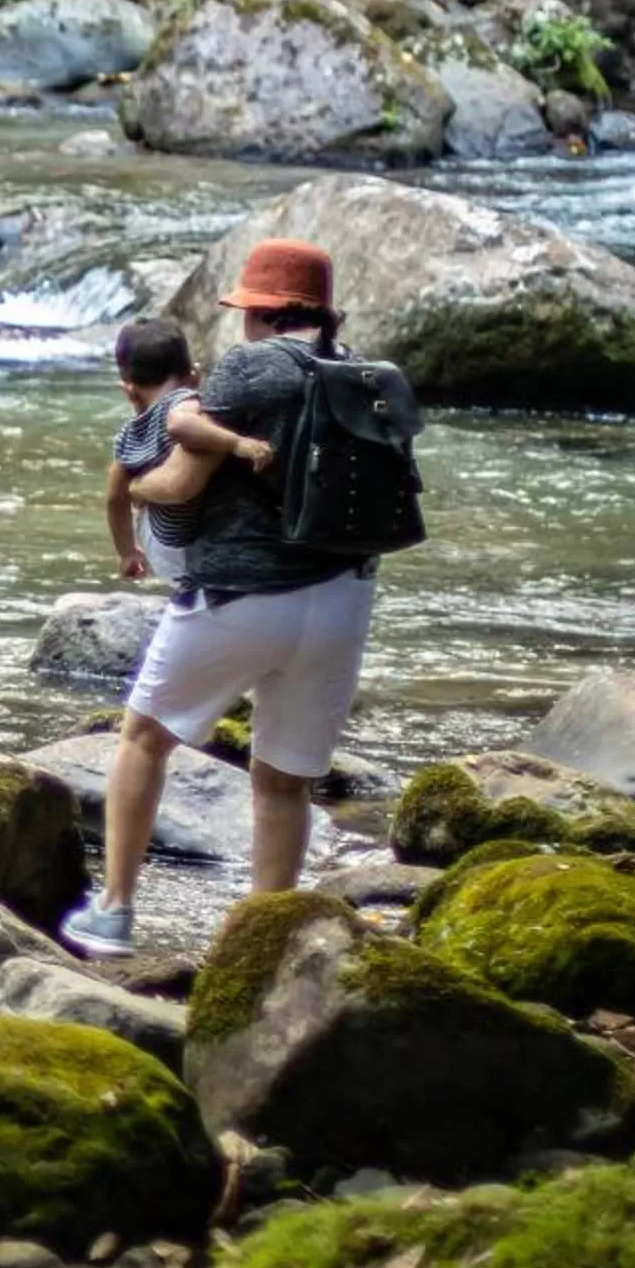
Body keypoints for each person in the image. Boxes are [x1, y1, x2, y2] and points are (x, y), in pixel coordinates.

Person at [65, 240, 376, 959]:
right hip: (342, 599)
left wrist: (133, 488)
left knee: (143, 739)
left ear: (262, 309)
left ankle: (113, 913)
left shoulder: (248, 368)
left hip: (242, 596)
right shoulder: (360, 371)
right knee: (283, 780)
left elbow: (178, 484)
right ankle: (261, 945)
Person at [105, 318, 273, 584]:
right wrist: (237, 443)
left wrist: (127, 553)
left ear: (128, 390)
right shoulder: (183, 401)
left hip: (157, 543)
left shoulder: (127, 435)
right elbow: (180, 424)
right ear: (194, 374)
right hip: (189, 542)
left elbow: (115, 498)